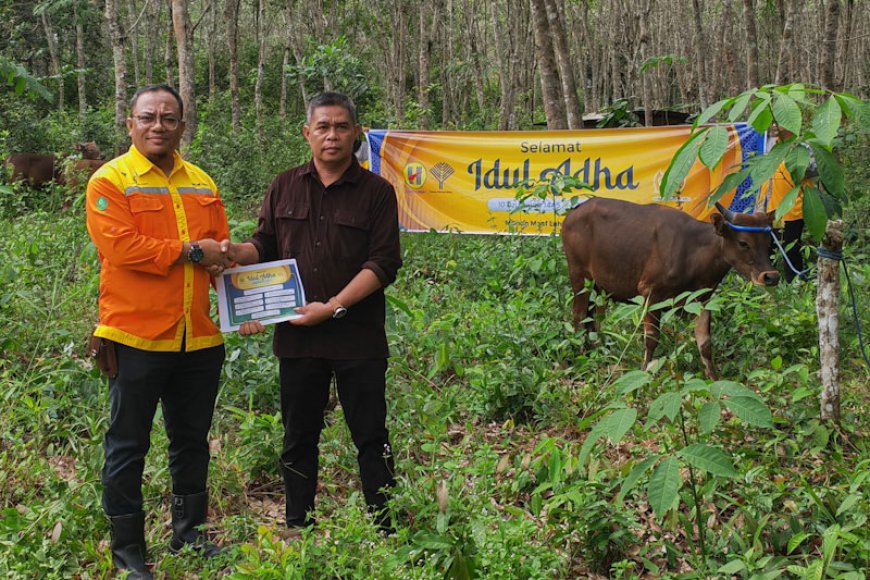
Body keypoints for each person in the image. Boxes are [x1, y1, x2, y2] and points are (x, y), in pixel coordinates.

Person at [221, 92, 402, 532]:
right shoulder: (284, 185)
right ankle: (298, 525)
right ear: (307, 133)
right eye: (323, 127)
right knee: (298, 437)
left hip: (357, 336)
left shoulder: (377, 192)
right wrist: (235, 256)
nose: (332, 135)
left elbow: (383, 263)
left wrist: (334, 307)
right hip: (298, 336)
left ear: (357, 133)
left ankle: (386, 527)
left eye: (342, 126)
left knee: (371, 437)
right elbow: (264, 245)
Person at [86, 84, 231, 578]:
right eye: (148, 117)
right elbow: (124, 248)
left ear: (181, 125)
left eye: (169, 118)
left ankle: (188, 535)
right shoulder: (110, 181)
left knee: (191, 440)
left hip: (200, 338)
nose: (158, 126)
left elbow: (221, 255)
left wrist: (243, 306)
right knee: (128, 444)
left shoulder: (203, 183)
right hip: (135, 338)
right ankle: (128, 551)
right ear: (130, 124)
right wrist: (191, 251)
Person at [758, 124, 809, 282]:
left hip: (793, 210)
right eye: (773, 123)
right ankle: (769, 284)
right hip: (771, 210)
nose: (773, 125)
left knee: (792, 249)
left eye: (778, 122)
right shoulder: (770, 146)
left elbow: (813, 171)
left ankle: (795, 283)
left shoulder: (802, 148)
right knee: (768, 247)